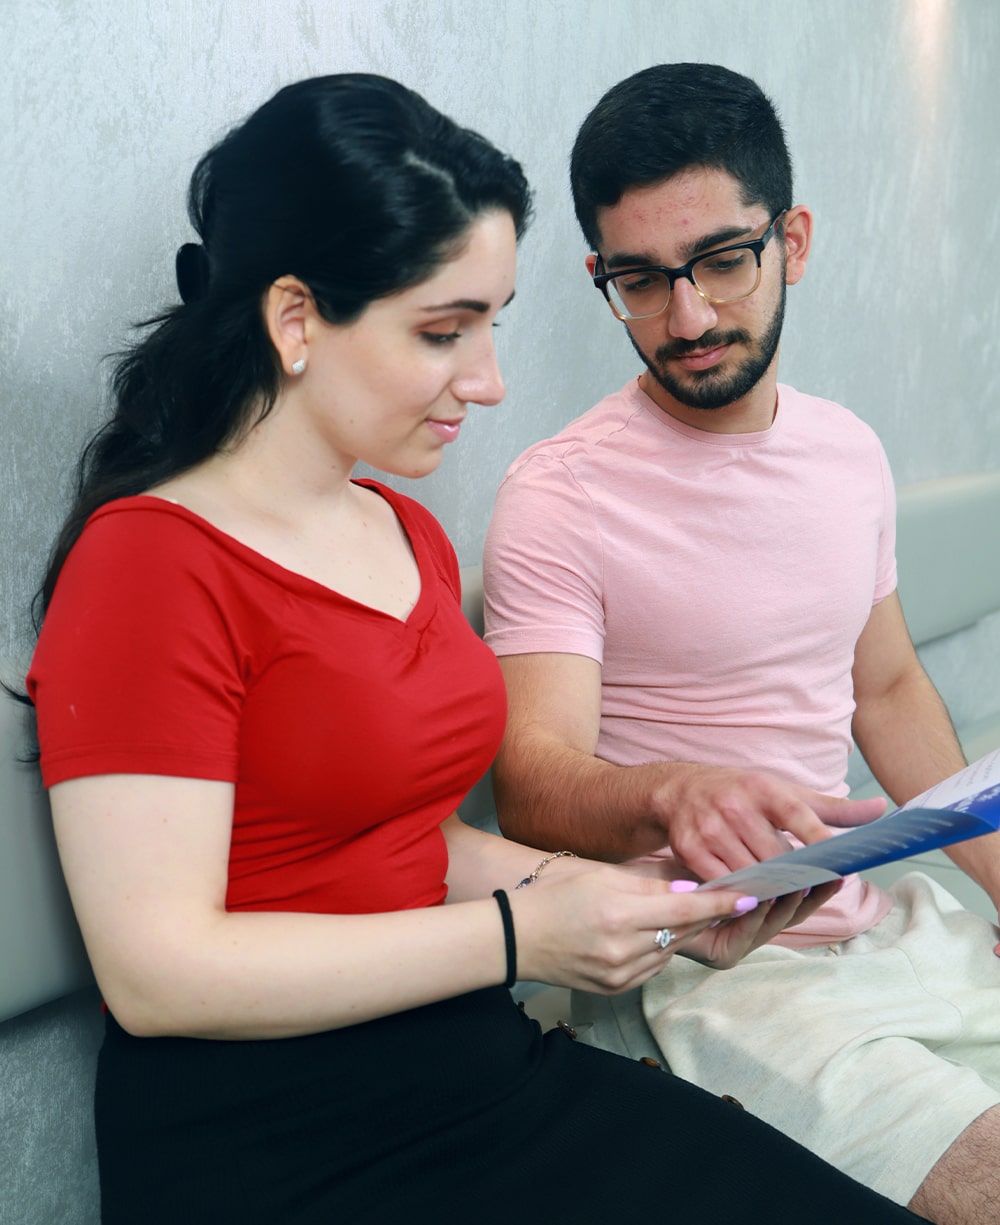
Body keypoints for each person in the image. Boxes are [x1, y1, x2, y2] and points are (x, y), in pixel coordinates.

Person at [20, 73, 925, 1225]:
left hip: (473, 1071)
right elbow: (156, 973)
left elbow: (408, 844)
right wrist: (519, 934)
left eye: (490, 324)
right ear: (296, 317)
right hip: (279, 1138)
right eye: (445, 331)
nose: (489, 380)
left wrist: (635, 900)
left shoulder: (404, 535)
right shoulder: (150, 560)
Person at [483, 62, 1000, 1223]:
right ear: (598, 275)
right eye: (641, 279)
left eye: (723, 260)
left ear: (793, 240)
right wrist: (671, 792)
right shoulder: (558, 495)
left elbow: (887, 685)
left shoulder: (847, 453)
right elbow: (531, 780)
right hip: (699, 972)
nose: (690, 317)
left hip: (878, 922)